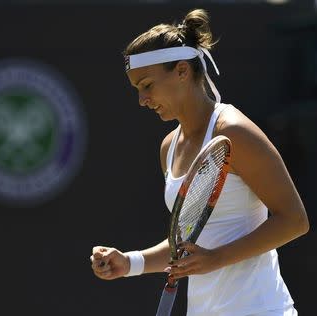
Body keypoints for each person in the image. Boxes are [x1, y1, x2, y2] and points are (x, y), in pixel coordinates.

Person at [90, 8, 309, 316]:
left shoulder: (234, 131)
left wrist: (216, 258)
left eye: (147, 85)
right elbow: (189, 242)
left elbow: (294, 221)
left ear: (182, 71)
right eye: (137, 90)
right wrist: (130, 263)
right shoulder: (169, 147)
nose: (142, 100)